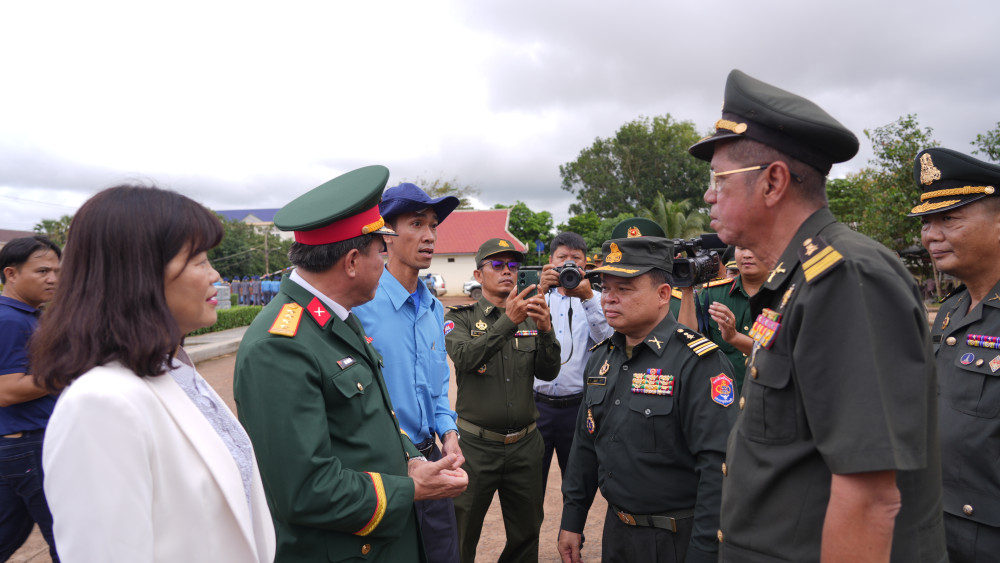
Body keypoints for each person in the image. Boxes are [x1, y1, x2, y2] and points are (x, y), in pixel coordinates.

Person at [689, 69, 946, 561]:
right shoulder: (799, 280)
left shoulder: (846, 279)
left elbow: (870, 497)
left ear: (773, 181)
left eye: (718, 179)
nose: (708, 195)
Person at [234, 166, 468, 563]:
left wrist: (412, 460)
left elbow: (373, 420)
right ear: (353, 261)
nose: (386, 260)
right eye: (382, 249)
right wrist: (409, 488)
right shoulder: (280, 344)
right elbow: (305, 490)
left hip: (380, 533)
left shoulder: (336, 317)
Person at [30, 185, 275, 562]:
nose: (216, 275)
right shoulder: (100, 404)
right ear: (139, 272)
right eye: (199, 260)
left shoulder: (173, 372)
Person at [558, 236, 734, 563]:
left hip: (676, 539)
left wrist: (704, 551)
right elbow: (585, 444)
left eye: (624, 289)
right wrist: (572, 519)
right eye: (605, 288)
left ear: (663, 294)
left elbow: (717, 469)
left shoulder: (696, 361)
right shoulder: (600, 358)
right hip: (618, 534)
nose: (608, 299)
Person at [354, 182, 464, 563]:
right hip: (384, 469)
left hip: (431, 459)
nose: (429, 236)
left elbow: (436, 388)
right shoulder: (360, 306)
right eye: (416, 224)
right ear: (386, 236)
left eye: (433, 225)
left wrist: (449, 434)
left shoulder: (432, 308)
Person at [444, 237, 561, 563]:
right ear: (478, 275)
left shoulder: (531, 316)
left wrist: (547, 330)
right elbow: (466, 358)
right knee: (463, 532)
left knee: (527, 534)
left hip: (525, 446)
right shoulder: (461, 317)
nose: (507, 272)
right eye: (497, 265)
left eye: (513, 266)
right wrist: (508, 320)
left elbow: (548, 373)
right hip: (476, 447)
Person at [910, 147, 1000, 562]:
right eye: (927, 222)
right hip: (938, 528)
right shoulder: (950, 310)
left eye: (949, 219)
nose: (930, 235)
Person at [534, 232, 613, 495]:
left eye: (575, 259)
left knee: (577, 482)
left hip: (578, 408)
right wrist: (540, 290)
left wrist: (588, 298)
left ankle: (572, 535)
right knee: (531, 485)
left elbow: (608, 341)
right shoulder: (533, 297)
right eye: (562, 258)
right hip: (536, 407)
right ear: (549, 261)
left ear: (585, 264)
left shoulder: (598, 298)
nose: (568, 264)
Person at [0, 236, 61, 562]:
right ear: (11, 273)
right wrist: (71, 370)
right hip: (29, 445)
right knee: (68, 539)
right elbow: (6, 391)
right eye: (42, 271)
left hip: (21, 445)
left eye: (56, 270)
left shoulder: (27, 315)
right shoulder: (9, 320)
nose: (52, 278)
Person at [695, 246, 767, 394]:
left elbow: (782, 353)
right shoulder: (712, 293)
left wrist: (734, 337)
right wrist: (687, 289)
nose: (747, 255)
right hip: (723, 395)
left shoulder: (785, 292)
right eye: (741, 247)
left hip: (768, 395)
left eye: (753, 247)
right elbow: (688, 334)